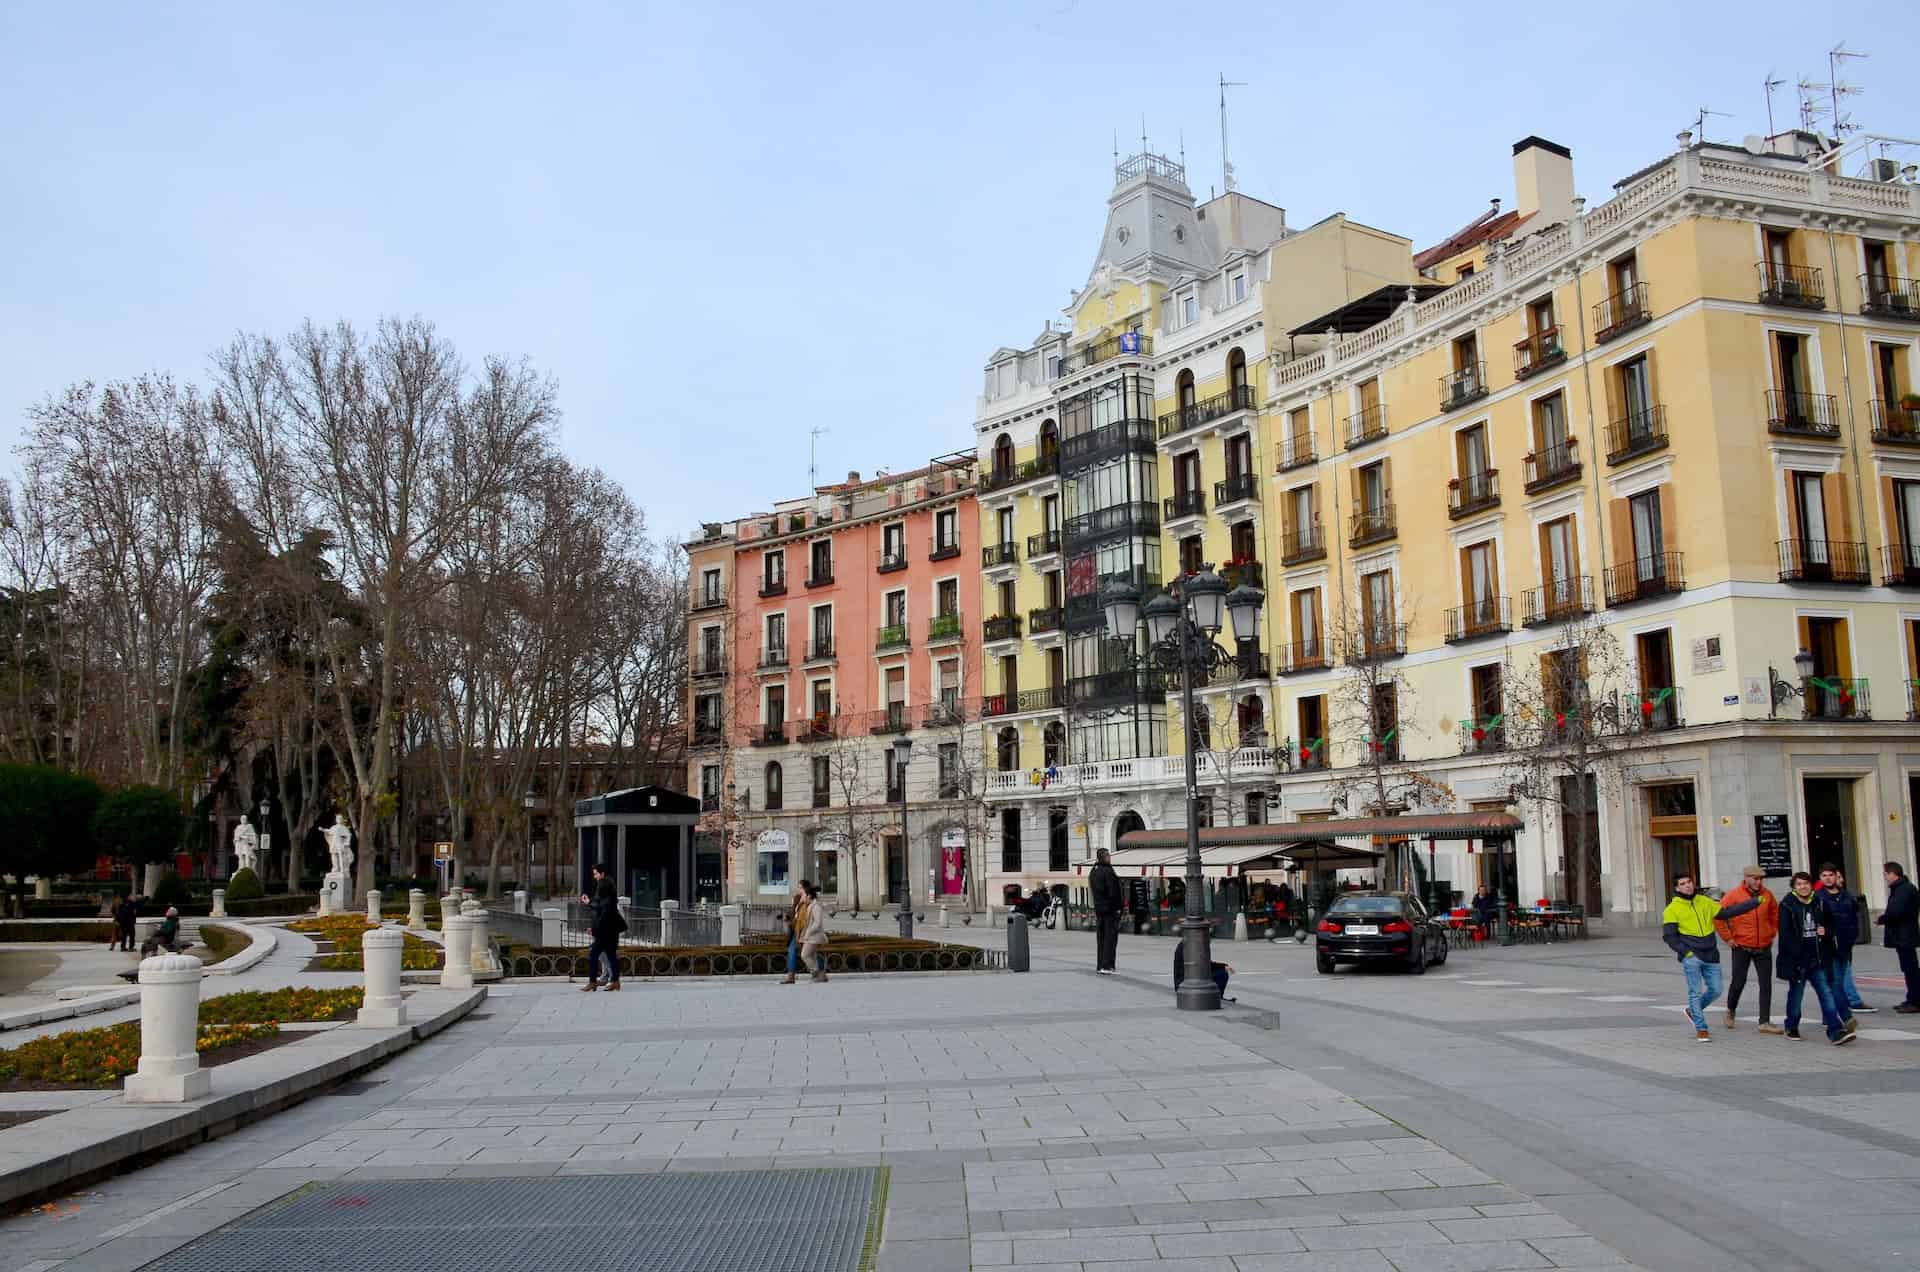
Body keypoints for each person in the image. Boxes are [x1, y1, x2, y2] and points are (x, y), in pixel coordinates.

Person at [1662, 873, 1760, 1042]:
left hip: (1711, 954)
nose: (1687, 886)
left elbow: (1726, 913)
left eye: (1689, 882)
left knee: (1716, 989)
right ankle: (1701, 1028)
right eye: (1683, 884)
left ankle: (1693, 1011)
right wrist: (1686, 953)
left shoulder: (1704, 902)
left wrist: (1754, 902)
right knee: (1695, 992)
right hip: (1692, 956)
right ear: (1677, 888)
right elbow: (1669, 936)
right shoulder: (1672, 909)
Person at [1778, 871, 1854, 1044]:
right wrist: (1798, 955)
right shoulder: (1787, 905)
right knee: (1796, 996)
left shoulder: (1819, 902)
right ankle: (1791, 1026)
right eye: (1799, 884)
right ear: (1794, 887)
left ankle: (1835, 1030)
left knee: (1826, 993)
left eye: (1805, 883)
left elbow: (1831, 925)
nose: (1803, 887)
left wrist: (1826, 932)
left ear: (1811, 885)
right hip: (1798, 961)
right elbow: (1785, 935)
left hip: (1818, 958)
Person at [1715, 865, 1783, 1034]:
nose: (1758, 882)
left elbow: (1775, 915)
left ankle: (1764, 1022)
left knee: (1766, 984)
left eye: (1760, 879)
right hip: (1742, 946)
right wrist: (1728, 938)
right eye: (1755, 878)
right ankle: (1730, 1010)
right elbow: (1718, 916)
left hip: (1763, 946)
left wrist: (1772, 932)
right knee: (1738, 982)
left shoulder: (1767, 895)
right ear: (1746, 878)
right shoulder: (1734, 895)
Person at [1820, 864, 1873, 1015]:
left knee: (1843, 973)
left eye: (1831, 875)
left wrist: (1854, 935)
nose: (1828, 878)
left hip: (1846, 943)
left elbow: (1854, 914)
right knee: (1836, 977)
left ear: (1837, 877)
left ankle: (1844, 1006)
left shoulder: (1846, 895)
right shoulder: (1818, 897)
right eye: (1824, 875)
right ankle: (1841, 1009)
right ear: (1820, 878)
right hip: (1829, 944)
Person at [1876, 861, 1920, 1013]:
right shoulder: (1904, 888)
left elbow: (1896, 911)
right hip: (1905, 934)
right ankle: (1912, 998)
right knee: (1910, 968)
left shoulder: (1903, 889)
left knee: (1911, 969)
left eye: (1886, 874)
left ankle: (1915, 1001)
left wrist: (1881, 919)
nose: (1885, 877)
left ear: (1893, 874)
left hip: (1904, 935)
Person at [580, 864, 624, 992]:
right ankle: (615, 982)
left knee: (593, 954)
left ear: (602, 874)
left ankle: (593, 982)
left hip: (605, 930)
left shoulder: (603, 885)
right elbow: (601, 906)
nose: (595, 877)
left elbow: (600, 908)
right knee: (611, 955)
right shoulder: (609, 887)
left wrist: (589, 902)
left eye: (596, 874)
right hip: (611, 929)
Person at [1090, 848, 1122, 975]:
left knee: (1101, 937)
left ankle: (1100, 965)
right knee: (1110, 938)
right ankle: (1108, 965)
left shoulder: (1093, 871)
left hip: (1099, 909)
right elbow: (1113, 891)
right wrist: (1118, 907)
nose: (1110, 857)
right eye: (1108, 855)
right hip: (1110, 910)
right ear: (1105, 857)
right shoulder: (1108, 871)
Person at [798, 880, 828, 983]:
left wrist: (809, 932)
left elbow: (817, 923)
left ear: (809, 896)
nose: (803, 897)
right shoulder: (810, 906)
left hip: (814, 936)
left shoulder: (816, 906)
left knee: (805, 955)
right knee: (812, 956)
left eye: (804, 896)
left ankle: (815, 973)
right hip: (810, 936)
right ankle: (820, 976)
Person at [780, 881, 806, 985]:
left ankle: (791, 976)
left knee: (804, 952)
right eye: (798, 887)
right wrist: (788, 917)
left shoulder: (809, 900)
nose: (799, 889)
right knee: (809, 953)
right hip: (796, 929)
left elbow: (804, 916)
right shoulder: (797, 898)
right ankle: (820, 972)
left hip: (803, 930)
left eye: (801, 887)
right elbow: (794, 913)